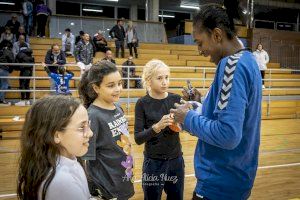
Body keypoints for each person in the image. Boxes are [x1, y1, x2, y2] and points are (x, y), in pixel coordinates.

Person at [170, 4, 262, 200]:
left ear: (217, 35)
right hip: (236, 178)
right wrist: (202, 101)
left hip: (219, 183)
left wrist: (187, 118)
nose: (199, 50)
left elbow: (228, 134)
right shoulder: (248, 59)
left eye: (200, 42)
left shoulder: (231, 66)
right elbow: (233, 113)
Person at [17, 95, 93, 200]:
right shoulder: (62, 182)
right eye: (81, 127)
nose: (90, 133)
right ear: (56, 135)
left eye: (88, 125)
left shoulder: (71, 160)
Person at [79, 61, 134, 200]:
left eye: (119, 83)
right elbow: (86, 158)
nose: (118, 89)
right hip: (107, 187)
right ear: (96, 88)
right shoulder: (92, 115)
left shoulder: (118, 108)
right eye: (111, 85)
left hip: (124, 176)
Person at [134, 59, 184, 200]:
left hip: (176, 161)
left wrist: (180, 126)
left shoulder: (176, 98)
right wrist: (157, 127)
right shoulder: (142, 103)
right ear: (149, 81)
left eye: (166, 77)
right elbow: (138, 138)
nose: (164, 82)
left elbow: (185, 126)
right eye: (160, 78)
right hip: (153, 163)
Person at [0, 40, 14, 106]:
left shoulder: (1, 50)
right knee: (4, 85)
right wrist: (10, 70)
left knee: (1, 84)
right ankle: (1, 100)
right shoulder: (9, 52)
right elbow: (12, 61)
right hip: (4, 69)